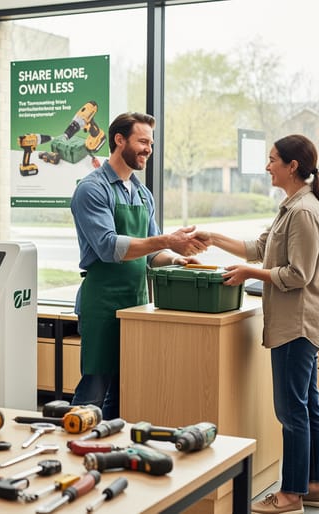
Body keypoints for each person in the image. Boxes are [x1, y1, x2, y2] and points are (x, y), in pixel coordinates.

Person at [196, 134, 319, 514]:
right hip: (299, 323)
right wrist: (212, 238)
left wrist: (248, 274)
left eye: (273, 159)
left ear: (292, 166)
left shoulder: (303, 211)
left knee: (291, 412)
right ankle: (314, 485)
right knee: (308, 406)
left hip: (296, 326)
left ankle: (290, 495)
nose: (267, 166)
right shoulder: (292, 206)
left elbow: (298, 275)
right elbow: (259, 248)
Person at [70, 112, 206, 420]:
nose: (148, 149)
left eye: (151, 143)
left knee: (126, 390)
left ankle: (111, 445)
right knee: (94, 390)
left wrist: (177, 260)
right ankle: (73, 442)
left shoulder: (143, 194)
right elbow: (109, 247)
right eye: (143, 141)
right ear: (119, 140)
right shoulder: (92, 189)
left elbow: (151, 254)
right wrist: (167, 240)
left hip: (136, 303)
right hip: (101, 303)